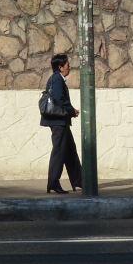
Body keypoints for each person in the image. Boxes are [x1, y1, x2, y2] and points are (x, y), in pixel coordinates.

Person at [41, 52, 82, 194]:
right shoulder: (57, 79)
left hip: (61, 122)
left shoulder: (57, 78)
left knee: (70, 150)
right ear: (60, 67)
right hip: (58, 122)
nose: (69, 67)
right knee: (59, 152)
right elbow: (60, 99)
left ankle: (79, 180)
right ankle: (53, 183)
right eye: (67, 65)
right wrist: (71, 111)